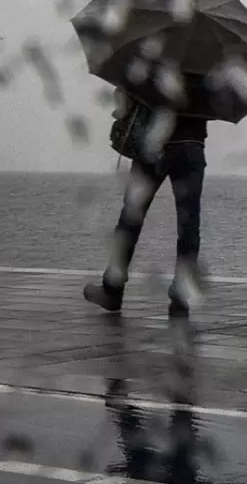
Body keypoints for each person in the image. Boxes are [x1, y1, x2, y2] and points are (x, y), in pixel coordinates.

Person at [83, 88, 208, 316]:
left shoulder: (156, 56)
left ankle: (113, 289)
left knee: (131, 218)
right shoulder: (209, 61)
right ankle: (181, 295)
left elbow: (129, 93)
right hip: (191, 146)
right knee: (189, 223)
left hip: (154, 144)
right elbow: (214, 104)